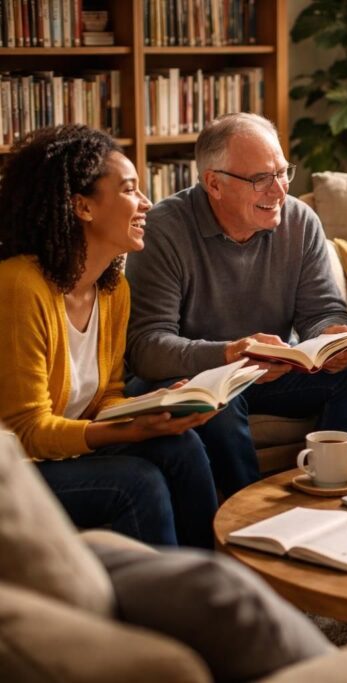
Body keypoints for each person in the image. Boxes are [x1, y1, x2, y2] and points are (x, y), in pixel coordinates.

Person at [125, 113, 347, 496]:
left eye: (282, 173)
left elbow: (322, 310)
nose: (279, 190)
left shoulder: (299, 221)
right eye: (260, 179)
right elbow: (146, 349)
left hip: (270, 371)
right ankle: (244, 520)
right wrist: (229, 355)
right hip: (194, 376)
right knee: (216, 400)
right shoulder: (164, 230)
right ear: (214, 183)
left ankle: (329, 488)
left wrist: (329, 338)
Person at [0, 125, 218, 549]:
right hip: (16, 467)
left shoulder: (112, 289)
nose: (147, 204)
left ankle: (214, 580)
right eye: (130, 190)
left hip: (61, 451)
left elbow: (105, 399)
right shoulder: (19, 286)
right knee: (135, 482)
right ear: (82, 206)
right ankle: (164, 612)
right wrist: (127, 433)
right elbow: (25, 431)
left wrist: (152, 409)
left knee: (181, 445)